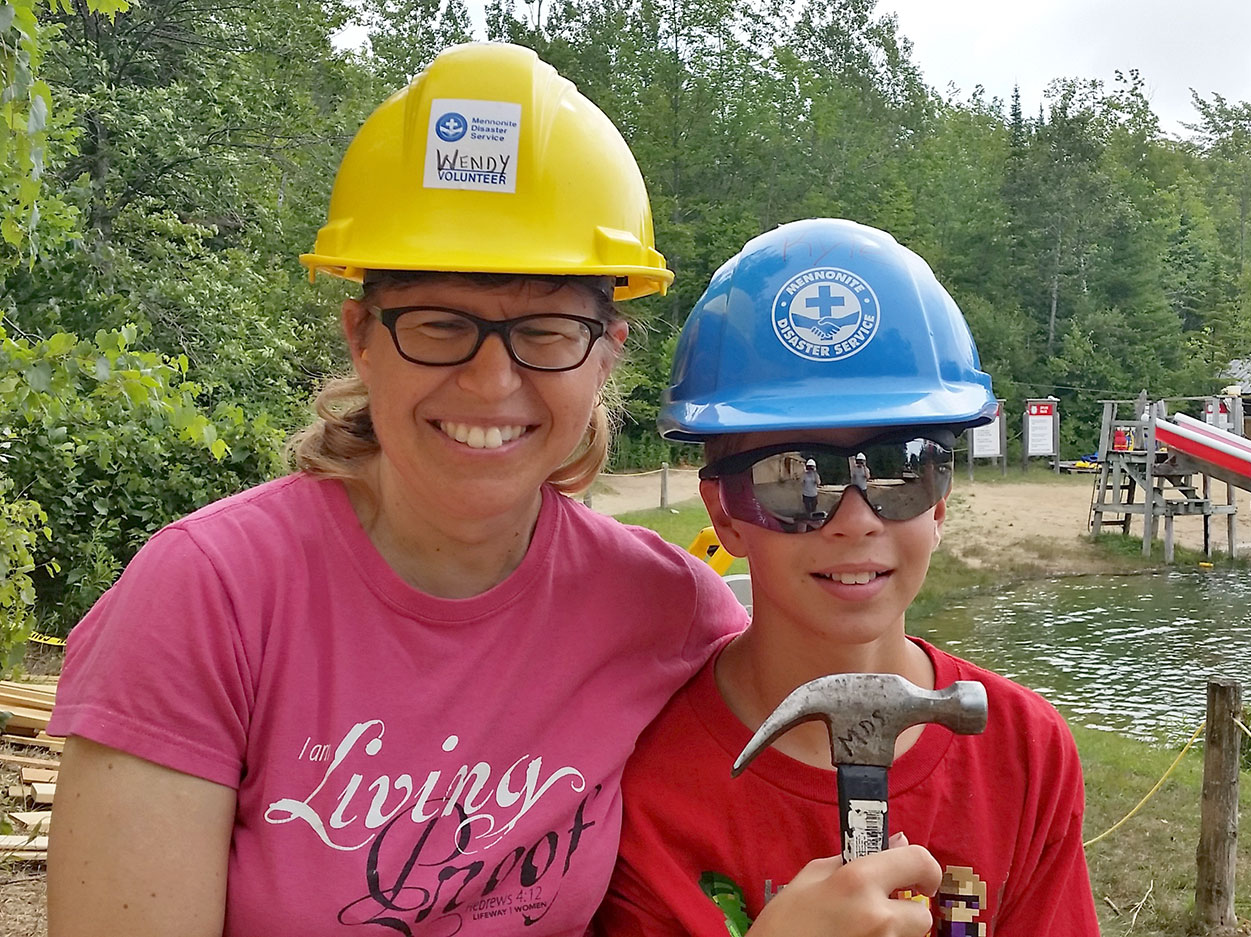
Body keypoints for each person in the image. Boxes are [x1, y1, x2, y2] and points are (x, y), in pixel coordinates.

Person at [46, 43, 746, 937]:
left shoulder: (667, 610)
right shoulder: (208, 597)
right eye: (441, 324)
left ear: (607, 348)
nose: (493, 383)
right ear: (362, 337)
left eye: (544, 329)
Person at [597, 218, 1100, 936]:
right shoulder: (649, 781)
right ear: (726, 513)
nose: (857, 519)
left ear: (942, 497)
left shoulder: (1024, 753)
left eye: (901, 466)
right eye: (794, 476)